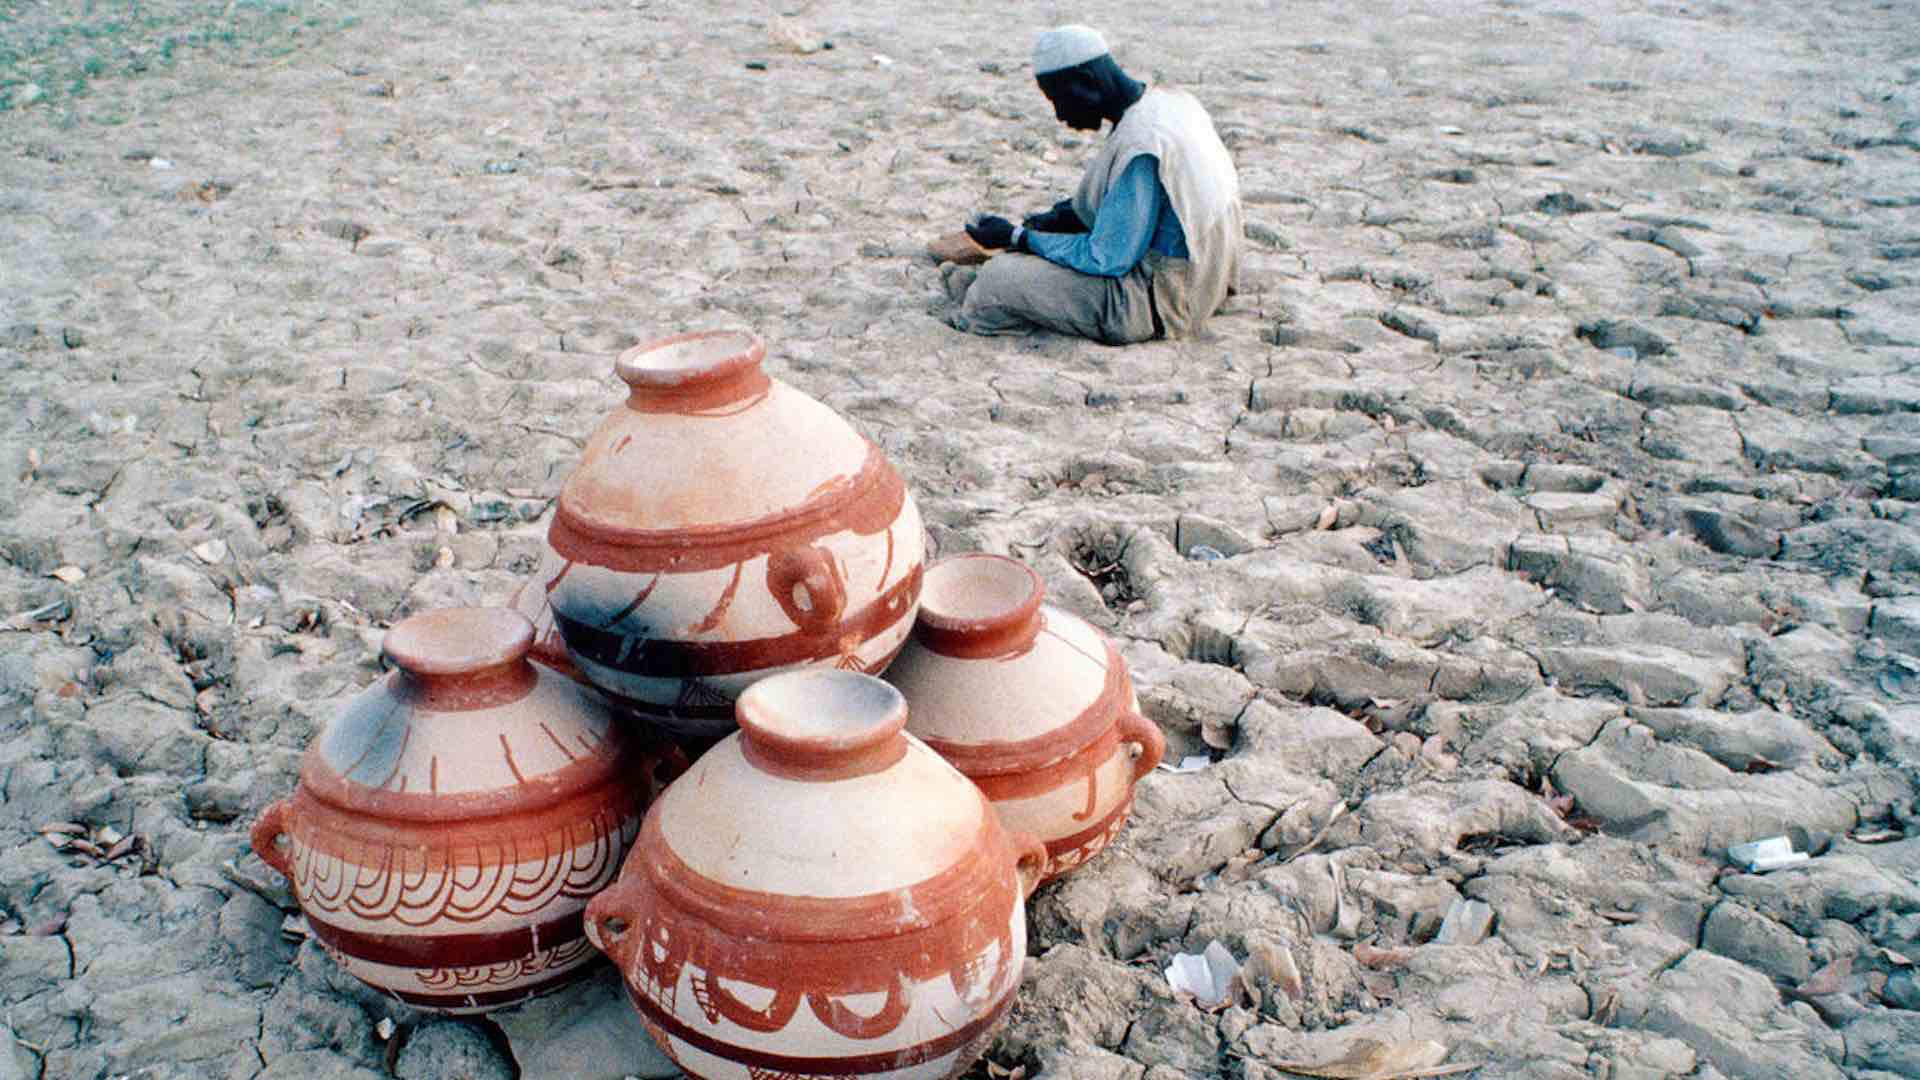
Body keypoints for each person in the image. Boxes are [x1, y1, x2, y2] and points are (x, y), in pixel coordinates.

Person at [948, 25, 1243, 344]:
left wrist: (1018, 237)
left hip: (1165, 300)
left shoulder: (1142, 144)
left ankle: (994, 320)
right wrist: (1063, 218)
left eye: (1058, 99)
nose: (1060, 114)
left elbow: (1106, 259)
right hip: (1210, 275)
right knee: (1029, 257)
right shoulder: (1173, 103)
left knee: (997, 280)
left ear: (1088, 82)